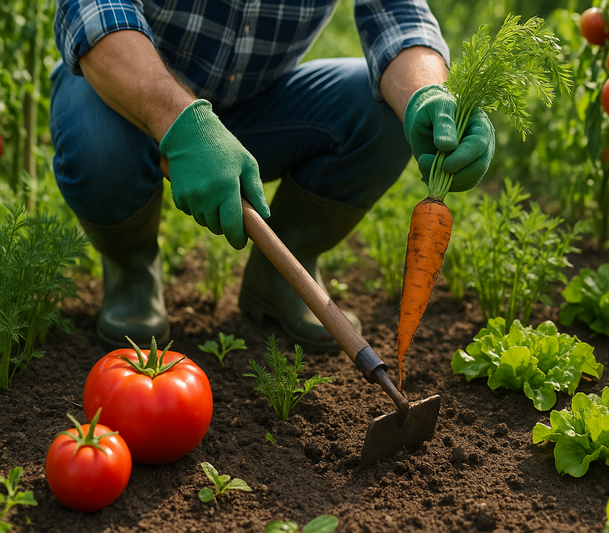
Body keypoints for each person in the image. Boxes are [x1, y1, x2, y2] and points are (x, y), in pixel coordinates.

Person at [51, 0, 495, 351]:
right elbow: (94, 6)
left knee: (383, 110)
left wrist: (427, 93)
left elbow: (398, 14)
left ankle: (281, 276)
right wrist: (179, 121)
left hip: (255, 109)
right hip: (127, 90)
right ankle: (131, 268)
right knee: (96, 142)